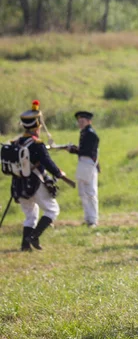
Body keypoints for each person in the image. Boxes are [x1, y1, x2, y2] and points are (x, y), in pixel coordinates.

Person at [9, 101, 68, 251]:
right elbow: (46, 161)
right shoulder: (37, 144)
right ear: (37, 125)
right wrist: (58, 173)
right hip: (34, 182)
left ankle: (25, 245)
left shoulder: (16, 142)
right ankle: (34, 236)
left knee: (30, 215)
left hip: (19, 184)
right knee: (52, 210)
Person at [67, 111, 100, 227]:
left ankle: (93, 219)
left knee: (90, 192)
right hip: (83, 162)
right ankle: (88, 217)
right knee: (83, 192)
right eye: (79, 121)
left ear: (88, 121)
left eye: (82, 121)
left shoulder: (90, 133)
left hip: (88, 163)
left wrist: (74, 150)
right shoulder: (84, 133)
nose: (80, 123)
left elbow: (88, 151)